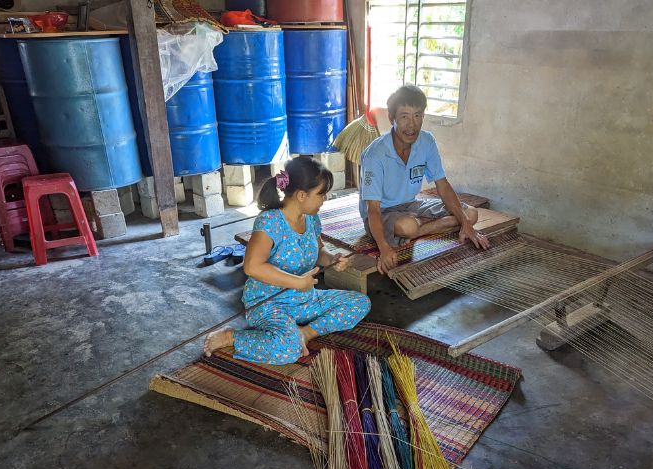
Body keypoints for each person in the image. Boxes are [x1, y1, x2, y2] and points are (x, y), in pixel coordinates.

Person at [203, 156, 371, 365]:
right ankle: (232, 337)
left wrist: (333, 259)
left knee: (360, 303)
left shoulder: (311, 218)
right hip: (268, 304)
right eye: (321, 194)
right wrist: (297, 283)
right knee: (288, 350)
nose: (324, 199)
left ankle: (305, 333)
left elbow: (319, 251)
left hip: (304, 301)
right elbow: (252, 266)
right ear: (302, 195)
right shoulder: (270, 221)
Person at [359, 85, 489, 274]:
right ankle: (417, 228)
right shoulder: (375, 154)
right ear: (391, 119)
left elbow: (442, 185)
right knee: (408, 225)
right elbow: (372, 208)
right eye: (404, 116)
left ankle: (419, 229)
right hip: (382, 212)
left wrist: (467, 225)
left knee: (471, 215)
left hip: (411, 206)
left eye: (417, 115)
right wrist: (384, 247)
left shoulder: (427, 141)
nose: (412, 125)